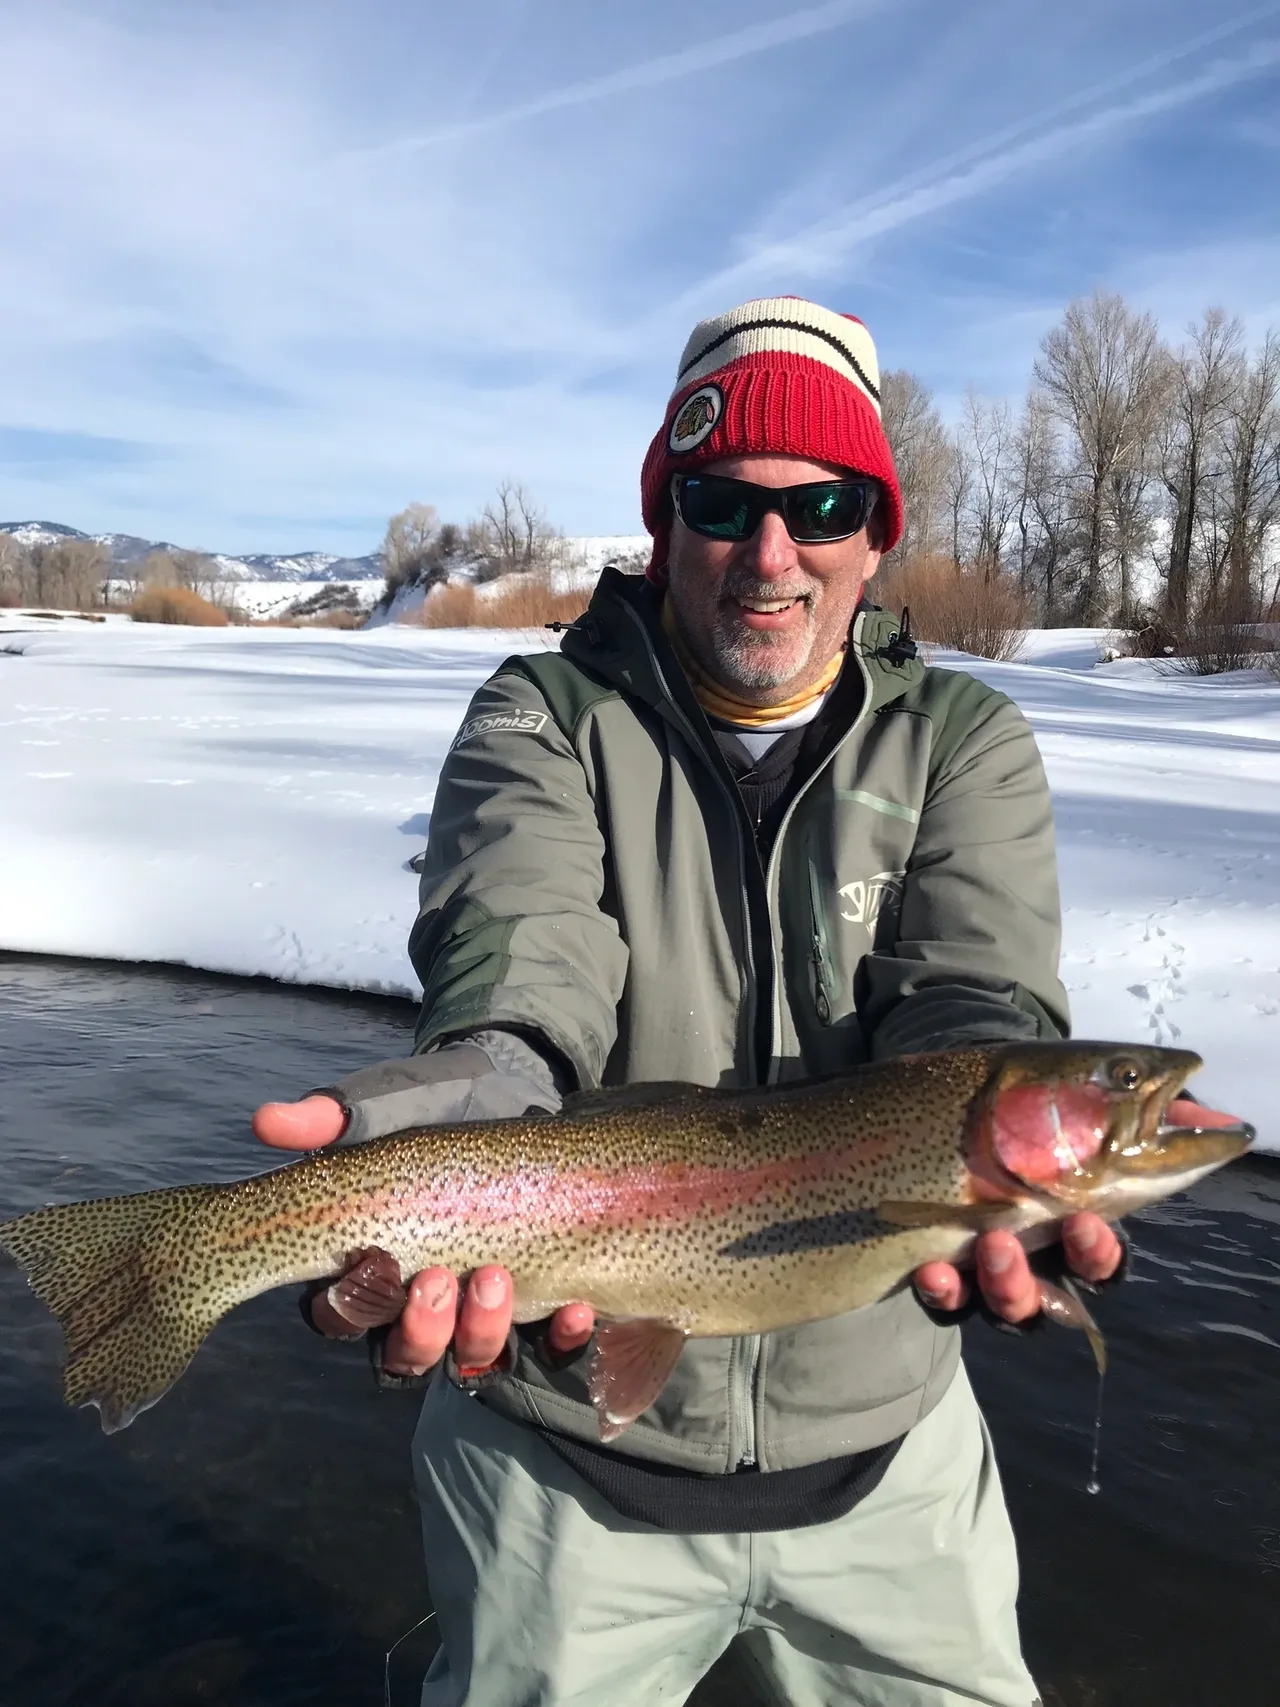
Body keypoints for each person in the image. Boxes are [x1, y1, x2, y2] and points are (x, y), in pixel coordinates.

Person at [255, 297, 1122, 1707]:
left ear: (875, 534)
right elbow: (523, 982)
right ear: (666, 523)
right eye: (722, 502)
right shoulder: (547, 715)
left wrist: (1004, 1111)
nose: (771, 554)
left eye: (822, 504)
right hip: (556, 1475)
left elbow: (973, 996)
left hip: (889, 1472)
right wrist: (455, 1117)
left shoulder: (964, 740)